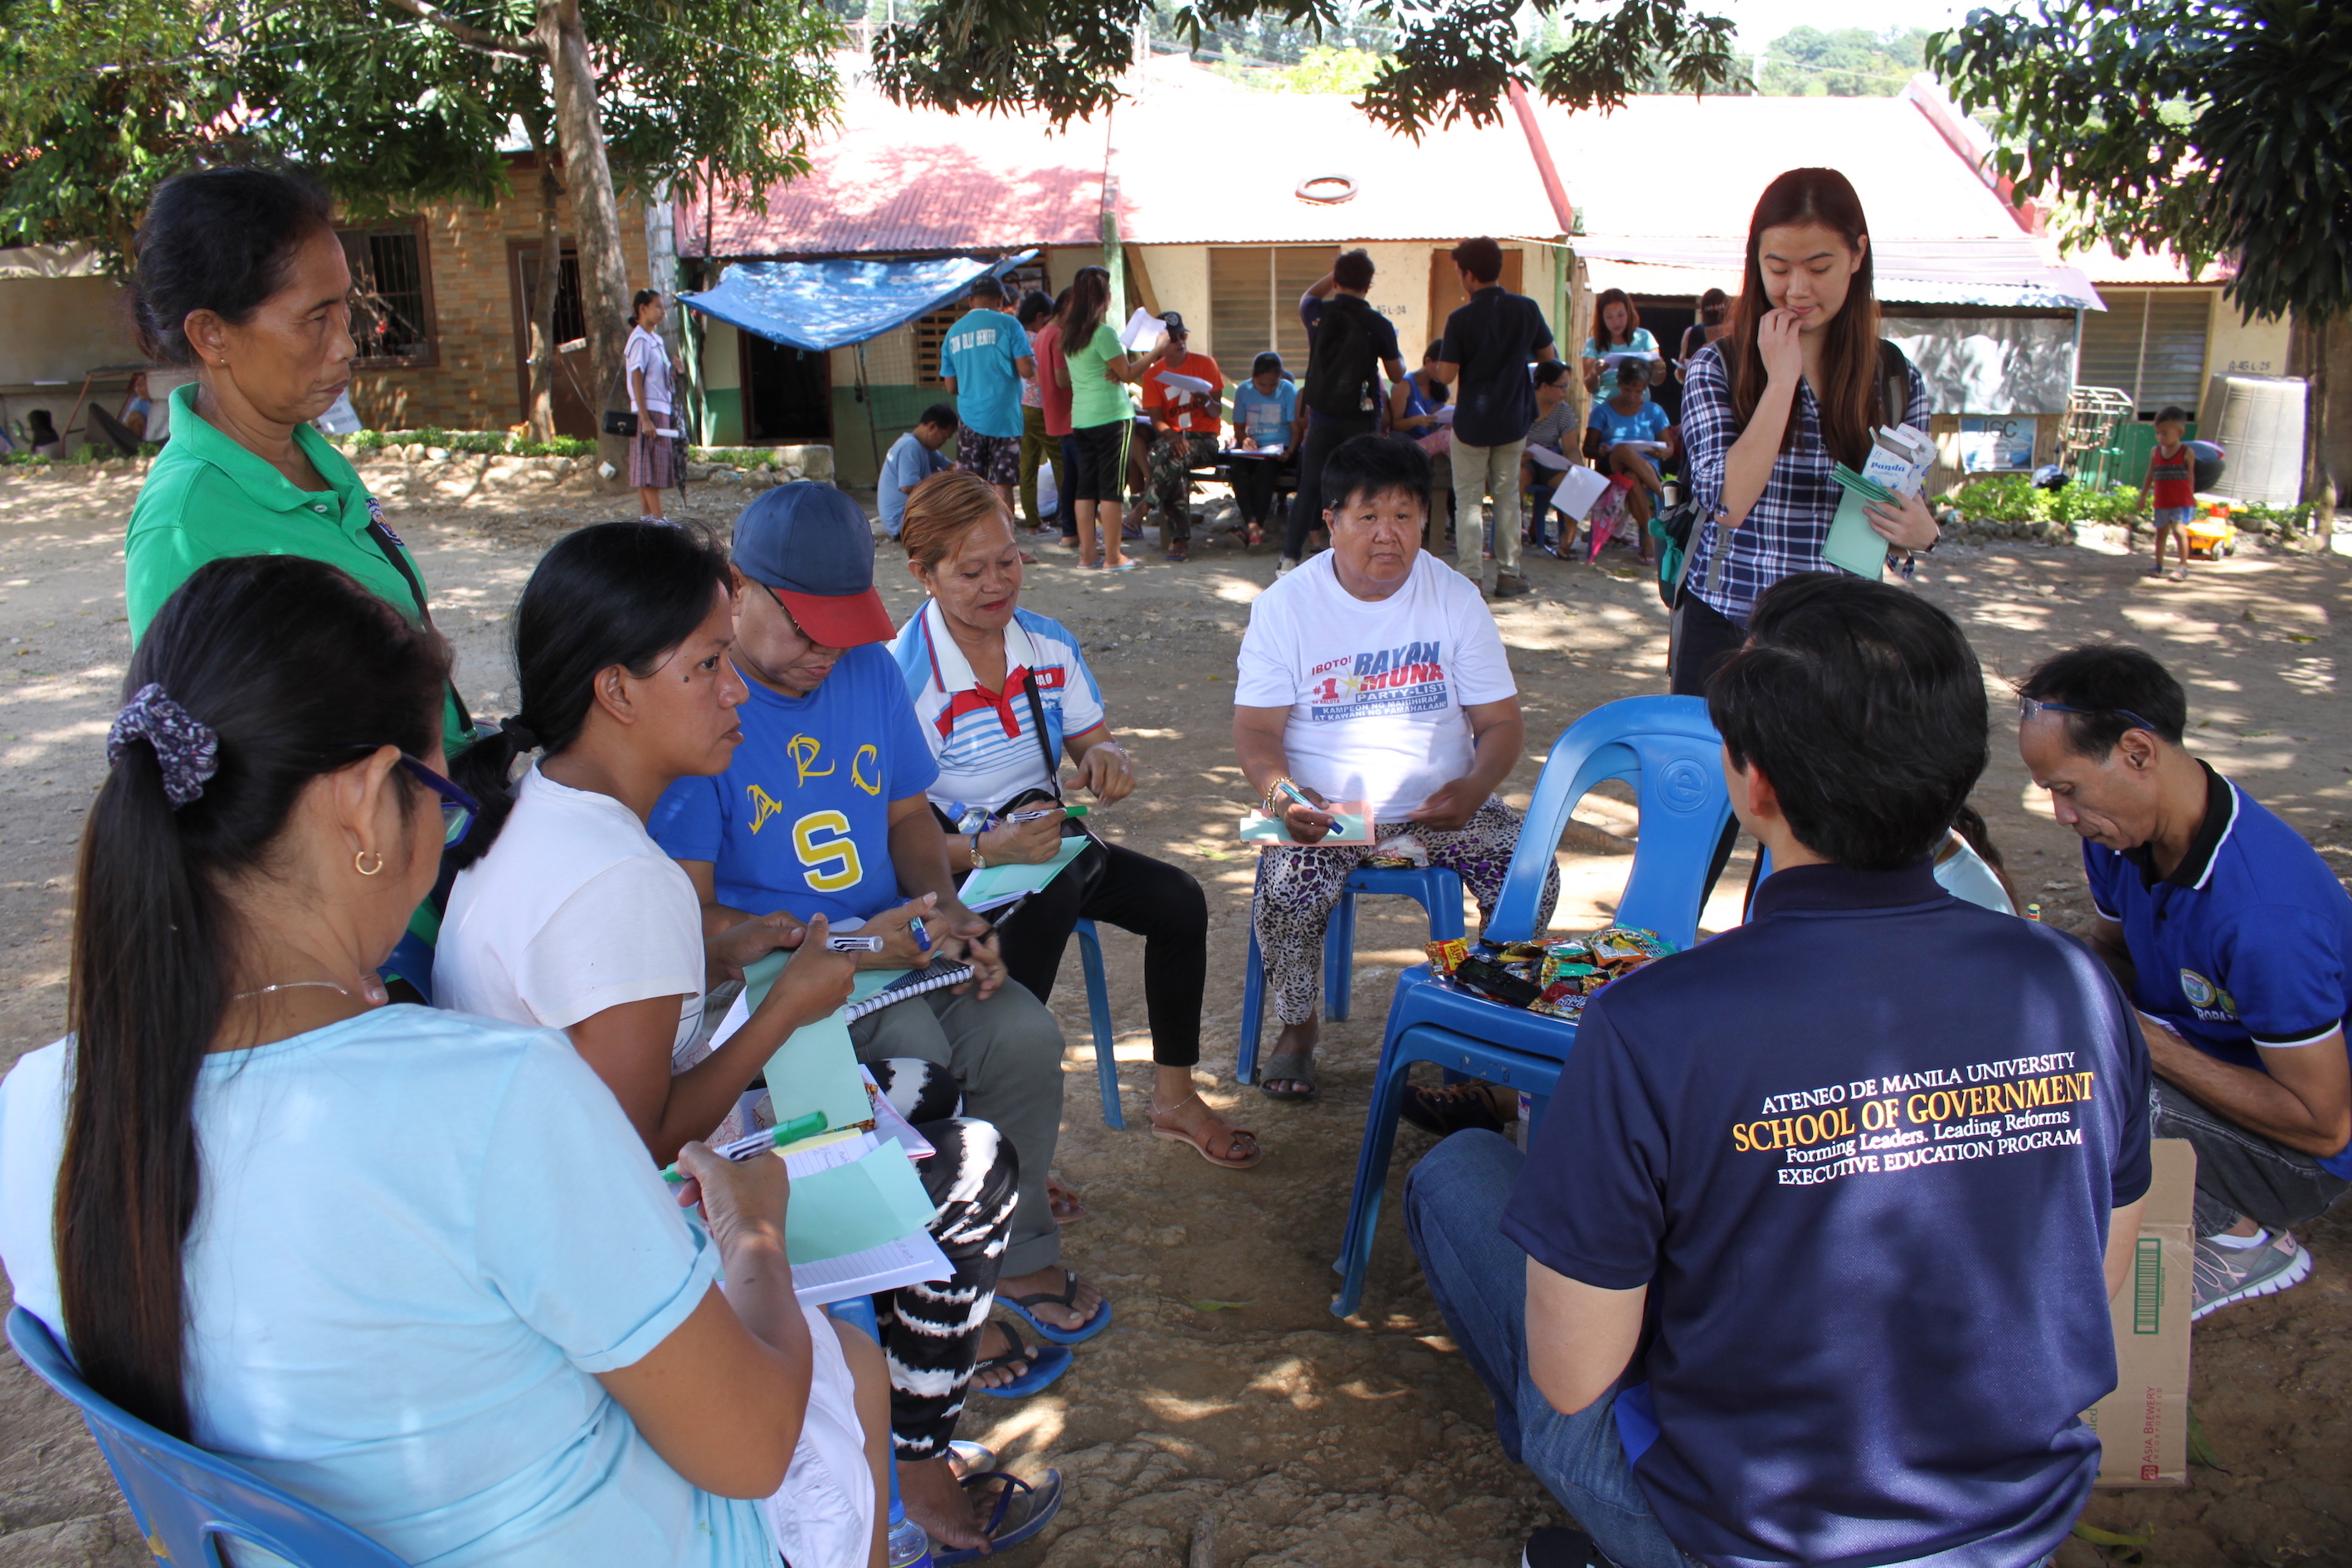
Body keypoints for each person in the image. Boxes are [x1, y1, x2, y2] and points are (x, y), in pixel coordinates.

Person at [0, 553, 891, 1568]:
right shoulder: (498, 1099)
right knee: (842, 1366)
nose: (446, 824)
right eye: (436, 792)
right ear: (363, 805)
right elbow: (753, 1449)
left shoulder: (36, 1107)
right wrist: (752, 1236)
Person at [1408, 573, 2152, 1568]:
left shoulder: (1655, 1022)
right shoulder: (2071, 983)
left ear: (1754, 785)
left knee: (1458, 1175)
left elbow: (1576, 1375)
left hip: (1746, 1534)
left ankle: (1626, 1536)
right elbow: (2094, 1278)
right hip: (2009, 1525)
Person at [431, 520, 1044, 1552]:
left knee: (920, 1097)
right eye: (709, 665)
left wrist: (728, 954)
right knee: (970, 1167)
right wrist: (781, 1009)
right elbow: (639, 1143)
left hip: (556, 1185)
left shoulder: (544, 810)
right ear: (617, 691)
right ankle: (915, 1462)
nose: (735, 695)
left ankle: (904, 1415)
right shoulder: (619, 880)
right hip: (622, 1227)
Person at [647, 484, 1112, 1381]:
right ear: (738, 589)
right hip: (774, 984)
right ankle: (924, 1300)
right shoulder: (706, 703)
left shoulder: (866, 668)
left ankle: (1013, 1254)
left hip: (894, 947)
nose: (827, 652)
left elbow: (906, 816)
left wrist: (945, 908)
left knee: (1022, 1034)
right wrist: (858, 946)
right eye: (805, 629)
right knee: (914, 1053)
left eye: (842, 628)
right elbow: (694, 922)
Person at [891, 472, 1255, 1167]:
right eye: (971, 571)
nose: (997, 583)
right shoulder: (903, 681)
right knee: (1051, 892)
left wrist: (1105, 759)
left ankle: (1174, 1097)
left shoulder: (1047, 646)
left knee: (1179, 901)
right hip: (956, 874)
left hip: (1047, 850)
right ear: (923, 575)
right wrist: (987, 847)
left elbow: (1091, 740)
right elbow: (896, 836)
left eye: (1008, 560)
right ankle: (999, 1146)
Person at [2018, 644, 2350, 1317]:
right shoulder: (2122, 835)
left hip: (2299, 1160)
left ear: (2138, 753)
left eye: (2066, 789)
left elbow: (2324, 1129)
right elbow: (2113, 952)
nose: (2061, 815)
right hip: (2200, 1066)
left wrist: (2142, 1044)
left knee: (2084, 1095)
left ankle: (2239, 1240)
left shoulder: (2265, 918)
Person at [1233, 436, 1557, 1102]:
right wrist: (1282, 796)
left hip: (1442, 807)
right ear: (1330, 521)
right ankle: (1297, 1027)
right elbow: (1257, 732)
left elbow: (1500, 725)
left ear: (1425, 519)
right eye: (1369, 516)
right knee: (1285, 891)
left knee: (1532, 875)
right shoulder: (1284, 606)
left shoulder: (1455, 597)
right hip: (1331, 813)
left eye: (1404, 516)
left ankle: (1487, 1013)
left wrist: (1474, 787)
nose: (1389, 534)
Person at [119, 164, 470, 755]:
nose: (346, 344)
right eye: (314, 319)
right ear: (212, 335)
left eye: (344, 309)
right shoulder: (183, 527)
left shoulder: (315, 459)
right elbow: (191, 767)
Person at [1673, 168, 1941, 699]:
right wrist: (1781, 383)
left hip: (1841, 643)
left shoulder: (1894, 379)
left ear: (1857, 255)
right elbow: (1728, 504)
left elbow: (1899, 519)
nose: (1796, 290)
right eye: (1778, 268)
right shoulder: (1718, 367)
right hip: (1728, 629)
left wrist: (1920, 534)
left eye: (1819, 268)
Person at [1431, 236, 1556, 599]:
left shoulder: (1460, 319)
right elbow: (1548, 355)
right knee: (1507, 496)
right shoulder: (1526, 308)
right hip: (1513, 418)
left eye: (1460, 272)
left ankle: (1471, 576)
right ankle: (1509, 573)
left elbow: (1447, 375)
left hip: (1472, 421)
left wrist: (1438, 367)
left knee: (1469, 500)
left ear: (1469, 274)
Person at [1286, 249, 1409, 576]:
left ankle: (1288, 558)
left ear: (1337, 281)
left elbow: (1308, 295)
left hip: (1322, 417)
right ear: (1369, 285)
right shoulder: (1379, 323)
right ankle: (1356, 557)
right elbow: (1397, 375)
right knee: (1361, 487)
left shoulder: (1318, 313)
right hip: (1362, 416)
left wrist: (1336, 274)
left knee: (1310, 486)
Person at [1050, 266, 1165, 572]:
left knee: (1085, 489)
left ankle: (1087, 555)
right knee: (1111, 489)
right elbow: (1127, 373)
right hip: (1112, 417)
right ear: (1104, 298)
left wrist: (1118, 370)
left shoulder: (1069, 335)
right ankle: (1113, 557)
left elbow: (1109, 370)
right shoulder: (1103, 334)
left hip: (1082, 418)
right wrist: (1158, 349)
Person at [938, 275, 1035, 519]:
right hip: (1005, 419)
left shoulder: (953, 333)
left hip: (970, 419)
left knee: (971, 486)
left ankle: (973, 539)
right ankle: (1006, 539)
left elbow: (951, 386)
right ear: (1001, 299)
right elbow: (1026, 370)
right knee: (1003, 484)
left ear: (971, 301)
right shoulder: (1010, 324)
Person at [1138, 311, 1223, 563]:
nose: (1180, 342)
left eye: (1182, 336)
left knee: (1169, 457)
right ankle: (1178, 538)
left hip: (1204, 439)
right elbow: (1156, 419)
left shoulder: (1206, 364)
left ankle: (1143, 510)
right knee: (1173, 458)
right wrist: (1172, 436)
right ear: (1160, 343)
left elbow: (1216, 411)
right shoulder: (1152, 375)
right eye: (1172, 338)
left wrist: (1205, 399)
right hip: (1173, 439)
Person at [1584, 357, 1678, 560]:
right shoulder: (1603, 411)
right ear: (1619, 384)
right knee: (1623, 450)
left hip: (1645, 468)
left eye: (1638, 392)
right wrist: (1600, 450)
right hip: (1611, 466)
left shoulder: (1654, 411)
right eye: (1628, 390)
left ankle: (1649, 539)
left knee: (1632, 476)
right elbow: (1587, 449)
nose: (1633, 396)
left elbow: (1669, 447)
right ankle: (1663, 493)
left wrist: (1662, 452)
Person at [1227, 351, 1297, 549]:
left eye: (1272, 385)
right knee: (1238, 469)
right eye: (1262, 385)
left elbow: (1296, 429)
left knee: (1265, 471)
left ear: (1280, 378)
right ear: (1253, 378)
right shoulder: (1244, 390)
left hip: (1279, 448)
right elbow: (1239, 428)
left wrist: (1290, 451)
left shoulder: (1288, 390)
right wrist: (1245, 440)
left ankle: (1253, 528)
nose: (1267, 389)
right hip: (1253, 448)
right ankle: (1253, 526)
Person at [628, 290, 684, 524]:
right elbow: (636, 380)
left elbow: (658, 378)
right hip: (648, 410)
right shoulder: (639, 339)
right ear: (643, 309)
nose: (662, 312)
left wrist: (676, 371)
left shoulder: (656, 340)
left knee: (651, 467)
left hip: (662, 408)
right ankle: (659, 520)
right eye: (658, 307)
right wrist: (644, 418)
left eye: (663, 307)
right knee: (648, 468)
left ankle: (647, 520)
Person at [1030, 288, 1078, 548]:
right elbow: (1061, 379)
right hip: (1070, 415)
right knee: (1076, 479)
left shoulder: (1042, 334)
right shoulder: (1058, 335)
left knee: (1068, 476)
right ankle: (1075, 530)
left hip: (1053, 414)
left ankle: (1070, 530)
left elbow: (1039, 379)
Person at [1517, 360, 1579, 554]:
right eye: (1561, 386)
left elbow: (1571, 447)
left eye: (1567, 385)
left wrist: (1577, 467)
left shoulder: (1563, 411)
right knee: (1517, 477)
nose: (1565, 391)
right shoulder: (1520, 406)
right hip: (1523, 460)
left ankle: (1567, 538)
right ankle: (1513, 532)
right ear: (1544, 386)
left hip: (1550, 461)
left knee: (1572, 482)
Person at [1014, 290, 1061, 535]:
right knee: (1062, 460)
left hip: (1021, 407)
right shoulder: (1042, 338)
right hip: (1042, 407)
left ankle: (1033, 521)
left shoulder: (1017, 336)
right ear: (1040, 316)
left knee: (1028, 465)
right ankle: (1070, 517)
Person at [879, 403, 957, 539]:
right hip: (902, 523)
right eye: (944, 437)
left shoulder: (924, 447)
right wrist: (942, 487)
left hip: (910, 518)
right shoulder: (910, 446)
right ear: (932, 427)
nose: (944, 442)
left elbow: (952, 468)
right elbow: (907, 487)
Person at [1580, 287, 1660, 403]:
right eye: (1609, 317)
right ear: (1602, 318)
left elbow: (1656, 380)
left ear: (1629, 313)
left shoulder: (1645, 337)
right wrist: (1595, 372)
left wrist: (1660, 369)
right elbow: (1590, 387)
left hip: (1638, 406)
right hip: (1605, 407)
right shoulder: (1592, 344)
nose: (1616, 322)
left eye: (1621, 315)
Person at [2144, 405, 2196, 582]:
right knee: (2161, 532)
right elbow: (2150, 474)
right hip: (2162, 501)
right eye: (2158, 433)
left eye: (2165, 433)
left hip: (2180, 501)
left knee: (2179, 530)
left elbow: (2190, 476)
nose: (2160, 437)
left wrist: (2191, 497)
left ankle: (2183, 565)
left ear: (2179, 432)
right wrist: (2143, 495)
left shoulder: (2187, 452)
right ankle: (2158, 564)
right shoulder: (2155, 452)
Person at [1675, 287, 1731, 384]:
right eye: (1711, 326)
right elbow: (1680, 374)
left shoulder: (1738, 333)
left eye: (1721, 324)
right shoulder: (1692, 333)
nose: (1717, 329)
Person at [117, 371, 154, 439]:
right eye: (135, 387)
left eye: (140, 385)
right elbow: (127, 423)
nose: (137, 390)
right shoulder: (138, 402)